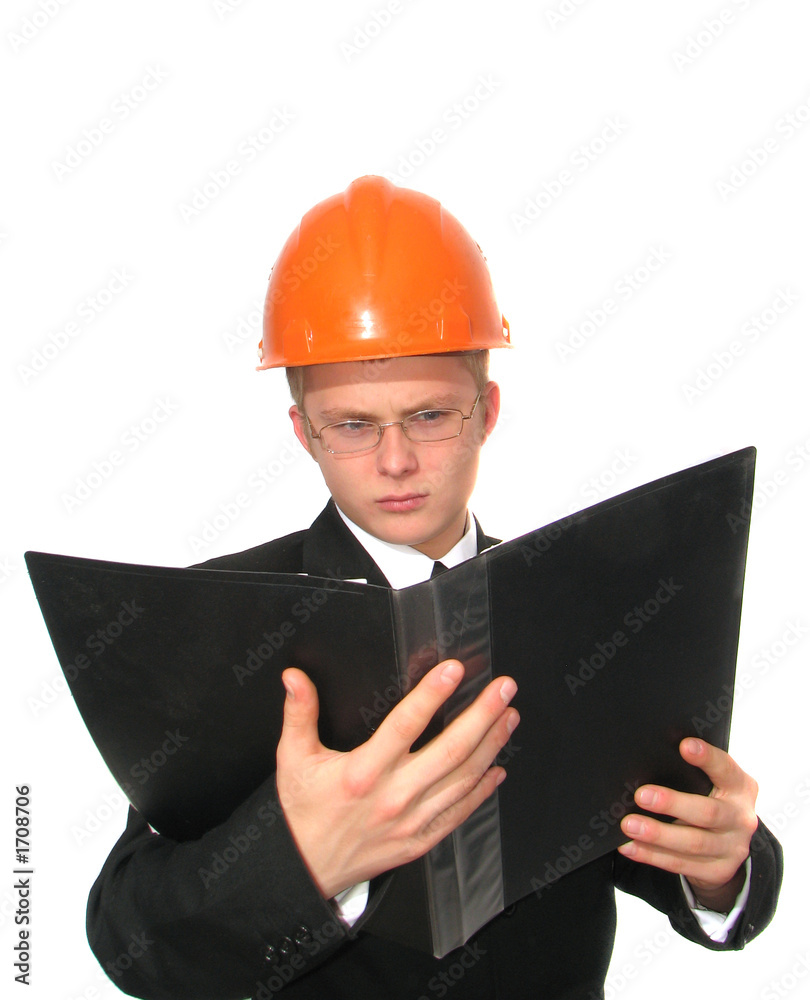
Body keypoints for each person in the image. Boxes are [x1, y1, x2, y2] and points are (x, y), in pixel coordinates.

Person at [87, 176, 782, 1000]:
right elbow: (131, 936)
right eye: (353, 425)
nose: (395, 462)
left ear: (486, 411)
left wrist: (724, 865)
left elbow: (676, 831)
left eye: (429, 416)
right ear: (303, 433)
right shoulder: (216, 618)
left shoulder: (583, 603)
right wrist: (302, 861)